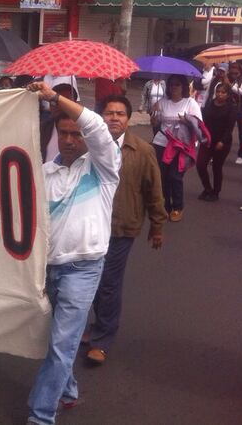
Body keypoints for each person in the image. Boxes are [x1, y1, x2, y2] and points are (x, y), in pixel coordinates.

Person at [25, 81, 121, 425]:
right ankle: (68, 392)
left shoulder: (104, 169)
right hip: (47, 271)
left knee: (61, 345)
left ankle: (40, 415)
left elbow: (96, 125)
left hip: (84, 270)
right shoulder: (45, 174)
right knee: (56, 342)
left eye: (76, 134)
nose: (69, 140)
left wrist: (55, 98)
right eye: (63, 133)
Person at [84, 95, 165, 366]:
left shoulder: (142, 150)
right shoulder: (89, 145)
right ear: (101, 116)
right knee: (90, 280)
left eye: (120, 114)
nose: (114, 118)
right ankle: (98, 326)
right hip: (91, 223)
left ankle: (102, 339)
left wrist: (157, 225)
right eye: (109, 113)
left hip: (122, 226)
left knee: (109, 282)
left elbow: (153, 190)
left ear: (128, 119)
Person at [151, 74, 203, 222]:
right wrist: (154, 118)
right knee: (162, 176)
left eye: (177, 84)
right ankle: (166, 206)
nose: (173, 87)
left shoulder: (190, 103)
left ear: (184, 87)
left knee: (175, 176)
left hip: (180, 145)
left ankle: (178, 207)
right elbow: (156, 123)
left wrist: (186, 120)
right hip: (161, 143)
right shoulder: (163, 102)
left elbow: (198, 125)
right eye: (171, 84)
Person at [196, 81, 237, 201]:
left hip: (222, 143)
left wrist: (222, 142)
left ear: (228, 95)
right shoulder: (210, 104)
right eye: (218, 92)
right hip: (208, 140)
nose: (220, 94)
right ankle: (207, 188)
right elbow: (203, 121)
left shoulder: (231, 108)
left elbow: (229, 128)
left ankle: (216, 192)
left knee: (216, 167)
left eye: (223, 92)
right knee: (200, 165)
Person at [39, 84, 79, 163]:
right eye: (54, 102)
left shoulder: (86, 130)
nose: (59, 106)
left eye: (64, 102)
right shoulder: (42, 128)